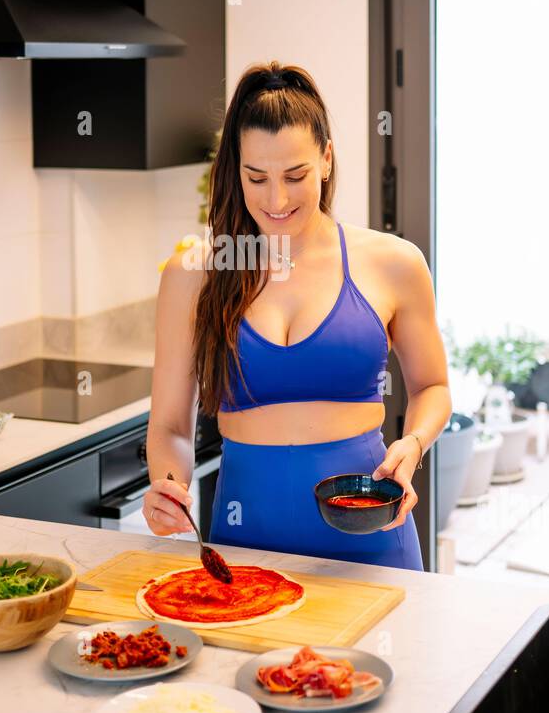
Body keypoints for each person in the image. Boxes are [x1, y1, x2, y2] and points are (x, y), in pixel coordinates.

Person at [142, 61, 452, 569]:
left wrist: (413, 444)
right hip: (243, 547)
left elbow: (432, 388)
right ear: (235, 169)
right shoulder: (194, 273)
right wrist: (169, 489)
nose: (277, 198)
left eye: (295, 175)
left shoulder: (394, 263)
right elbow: (172, 426)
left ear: (326, 159)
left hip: (370, 538)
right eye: (256, 177)